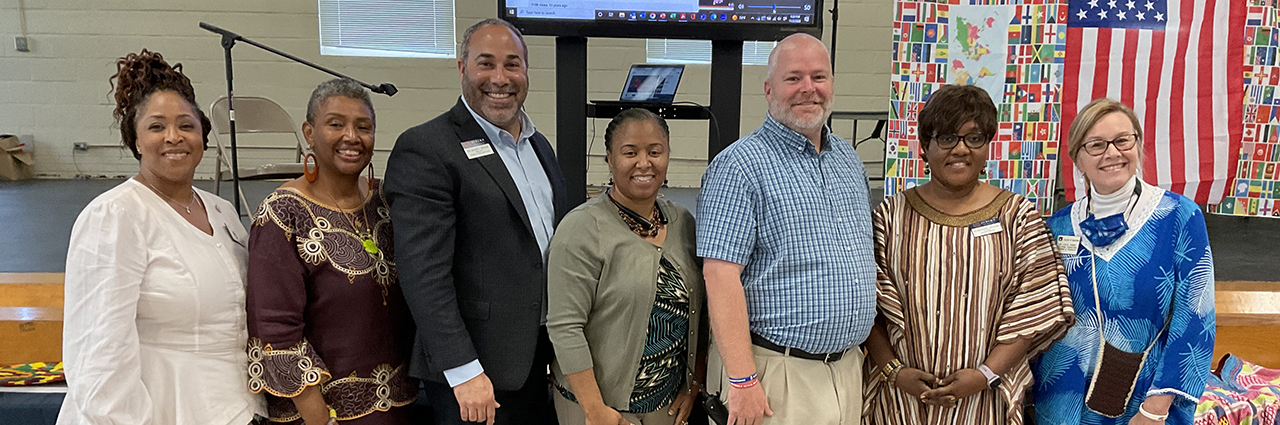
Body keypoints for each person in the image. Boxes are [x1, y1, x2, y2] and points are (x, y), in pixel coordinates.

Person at [59, 49, 266, 425]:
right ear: (135, 140)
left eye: (186, 125)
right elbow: (99, 355)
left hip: (239, 407)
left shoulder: (221, 212)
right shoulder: (116, 216)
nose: (174, 137)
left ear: (202, 134)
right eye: (156, 126)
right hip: (163, 410)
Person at [385, 18, 569, 425]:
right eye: (486, 64)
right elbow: (423, 273)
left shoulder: (539, 145)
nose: (500, 78)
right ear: (462, 68)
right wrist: (464, 370)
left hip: (535, 361)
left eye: (512, 64)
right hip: (475, 375)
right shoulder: (427, 148)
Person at [860, 84, 1075, 425]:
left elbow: (1034, 309)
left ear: (987, 145)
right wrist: (894, 371)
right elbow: (864, 307)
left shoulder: (1017, 217)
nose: (960, 149)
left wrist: (985, 374)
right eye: (946, 137)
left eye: (973, 138)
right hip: (900, 403)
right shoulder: (889, 216)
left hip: (984, 403)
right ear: (924, 148)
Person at [695, 33, 876, 425]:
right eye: (794, 78)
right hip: (775, 374)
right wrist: (742, 381)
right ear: (768, 89)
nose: (808, 89)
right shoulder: (739, 167)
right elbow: (720, 275)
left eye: (819, 77)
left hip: (845, 371)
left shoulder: (846, 158)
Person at [1031, 98, 1215, 425]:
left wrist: (1155, 409)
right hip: (1060, 402)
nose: (1112, 153)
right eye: (1097, 145)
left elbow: (1195, 319)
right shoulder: (1056, 228)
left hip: (1142, 405)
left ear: (1138, 145)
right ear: (1077, 159)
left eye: (1122, 140)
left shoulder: (1179, 217)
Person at [244, 78, 417, 425]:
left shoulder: (385, 201)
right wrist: (319, 417)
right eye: (335, 124)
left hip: (398, 406)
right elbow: (275, 330)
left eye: (363, 127)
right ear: (309, 132)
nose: (351, 136)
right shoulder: (283, 213)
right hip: (323, 414)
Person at [547, 109, 706, 425]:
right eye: (630, 152)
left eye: (655, 151)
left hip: (666, 404)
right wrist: (595, 411)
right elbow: (564, 327)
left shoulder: (683, 223)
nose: (644, 163)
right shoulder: (582, 228)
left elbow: (702, 314)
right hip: (598, 409)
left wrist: (694, 382)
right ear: (609, 159)